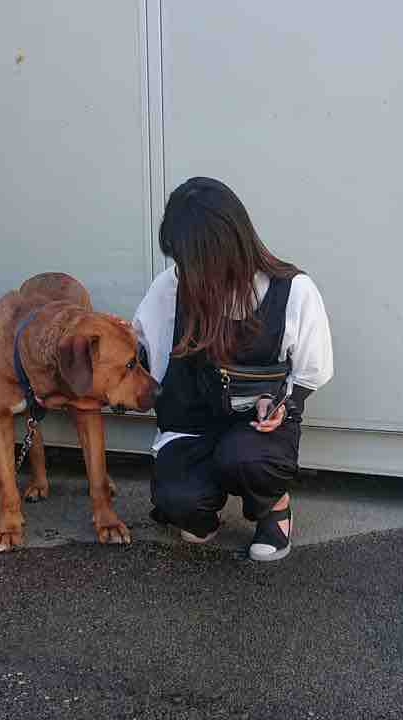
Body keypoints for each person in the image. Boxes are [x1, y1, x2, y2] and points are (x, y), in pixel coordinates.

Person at [133, 177, 333, 562]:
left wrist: (281, 406)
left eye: (192, 260)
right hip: (192, 426)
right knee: (178, 502)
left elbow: (311, 373)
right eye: (179, 260)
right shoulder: (169, 289)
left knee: (243, 457)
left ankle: (273, 507)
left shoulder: (292, 291)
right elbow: (141, 355)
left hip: (256, 432)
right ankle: (202, 512)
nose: (184, 272)